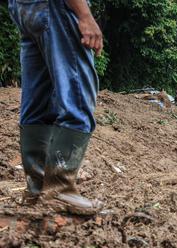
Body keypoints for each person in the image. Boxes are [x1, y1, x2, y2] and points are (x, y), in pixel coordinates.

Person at [8, 0, 105, 214]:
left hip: (24, 8)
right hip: (55, 7)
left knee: (38, 101)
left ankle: (38, 189)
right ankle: (60, 188)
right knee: (77, 96)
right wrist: (84, 15)